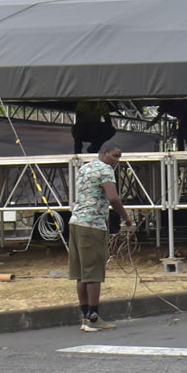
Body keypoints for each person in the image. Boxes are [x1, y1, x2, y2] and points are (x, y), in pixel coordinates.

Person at [71, 140, 135, 332]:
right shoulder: (106, 170)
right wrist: (126, 218)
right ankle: (93, 318)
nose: (117, 161)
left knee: (82, 273)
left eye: (119, 157)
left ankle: (85, 317)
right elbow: (113, 198)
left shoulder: (85, 168)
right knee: (94, 273)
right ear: (104, 153)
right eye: (115, 156)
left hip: (76, 222)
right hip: (93, 225)